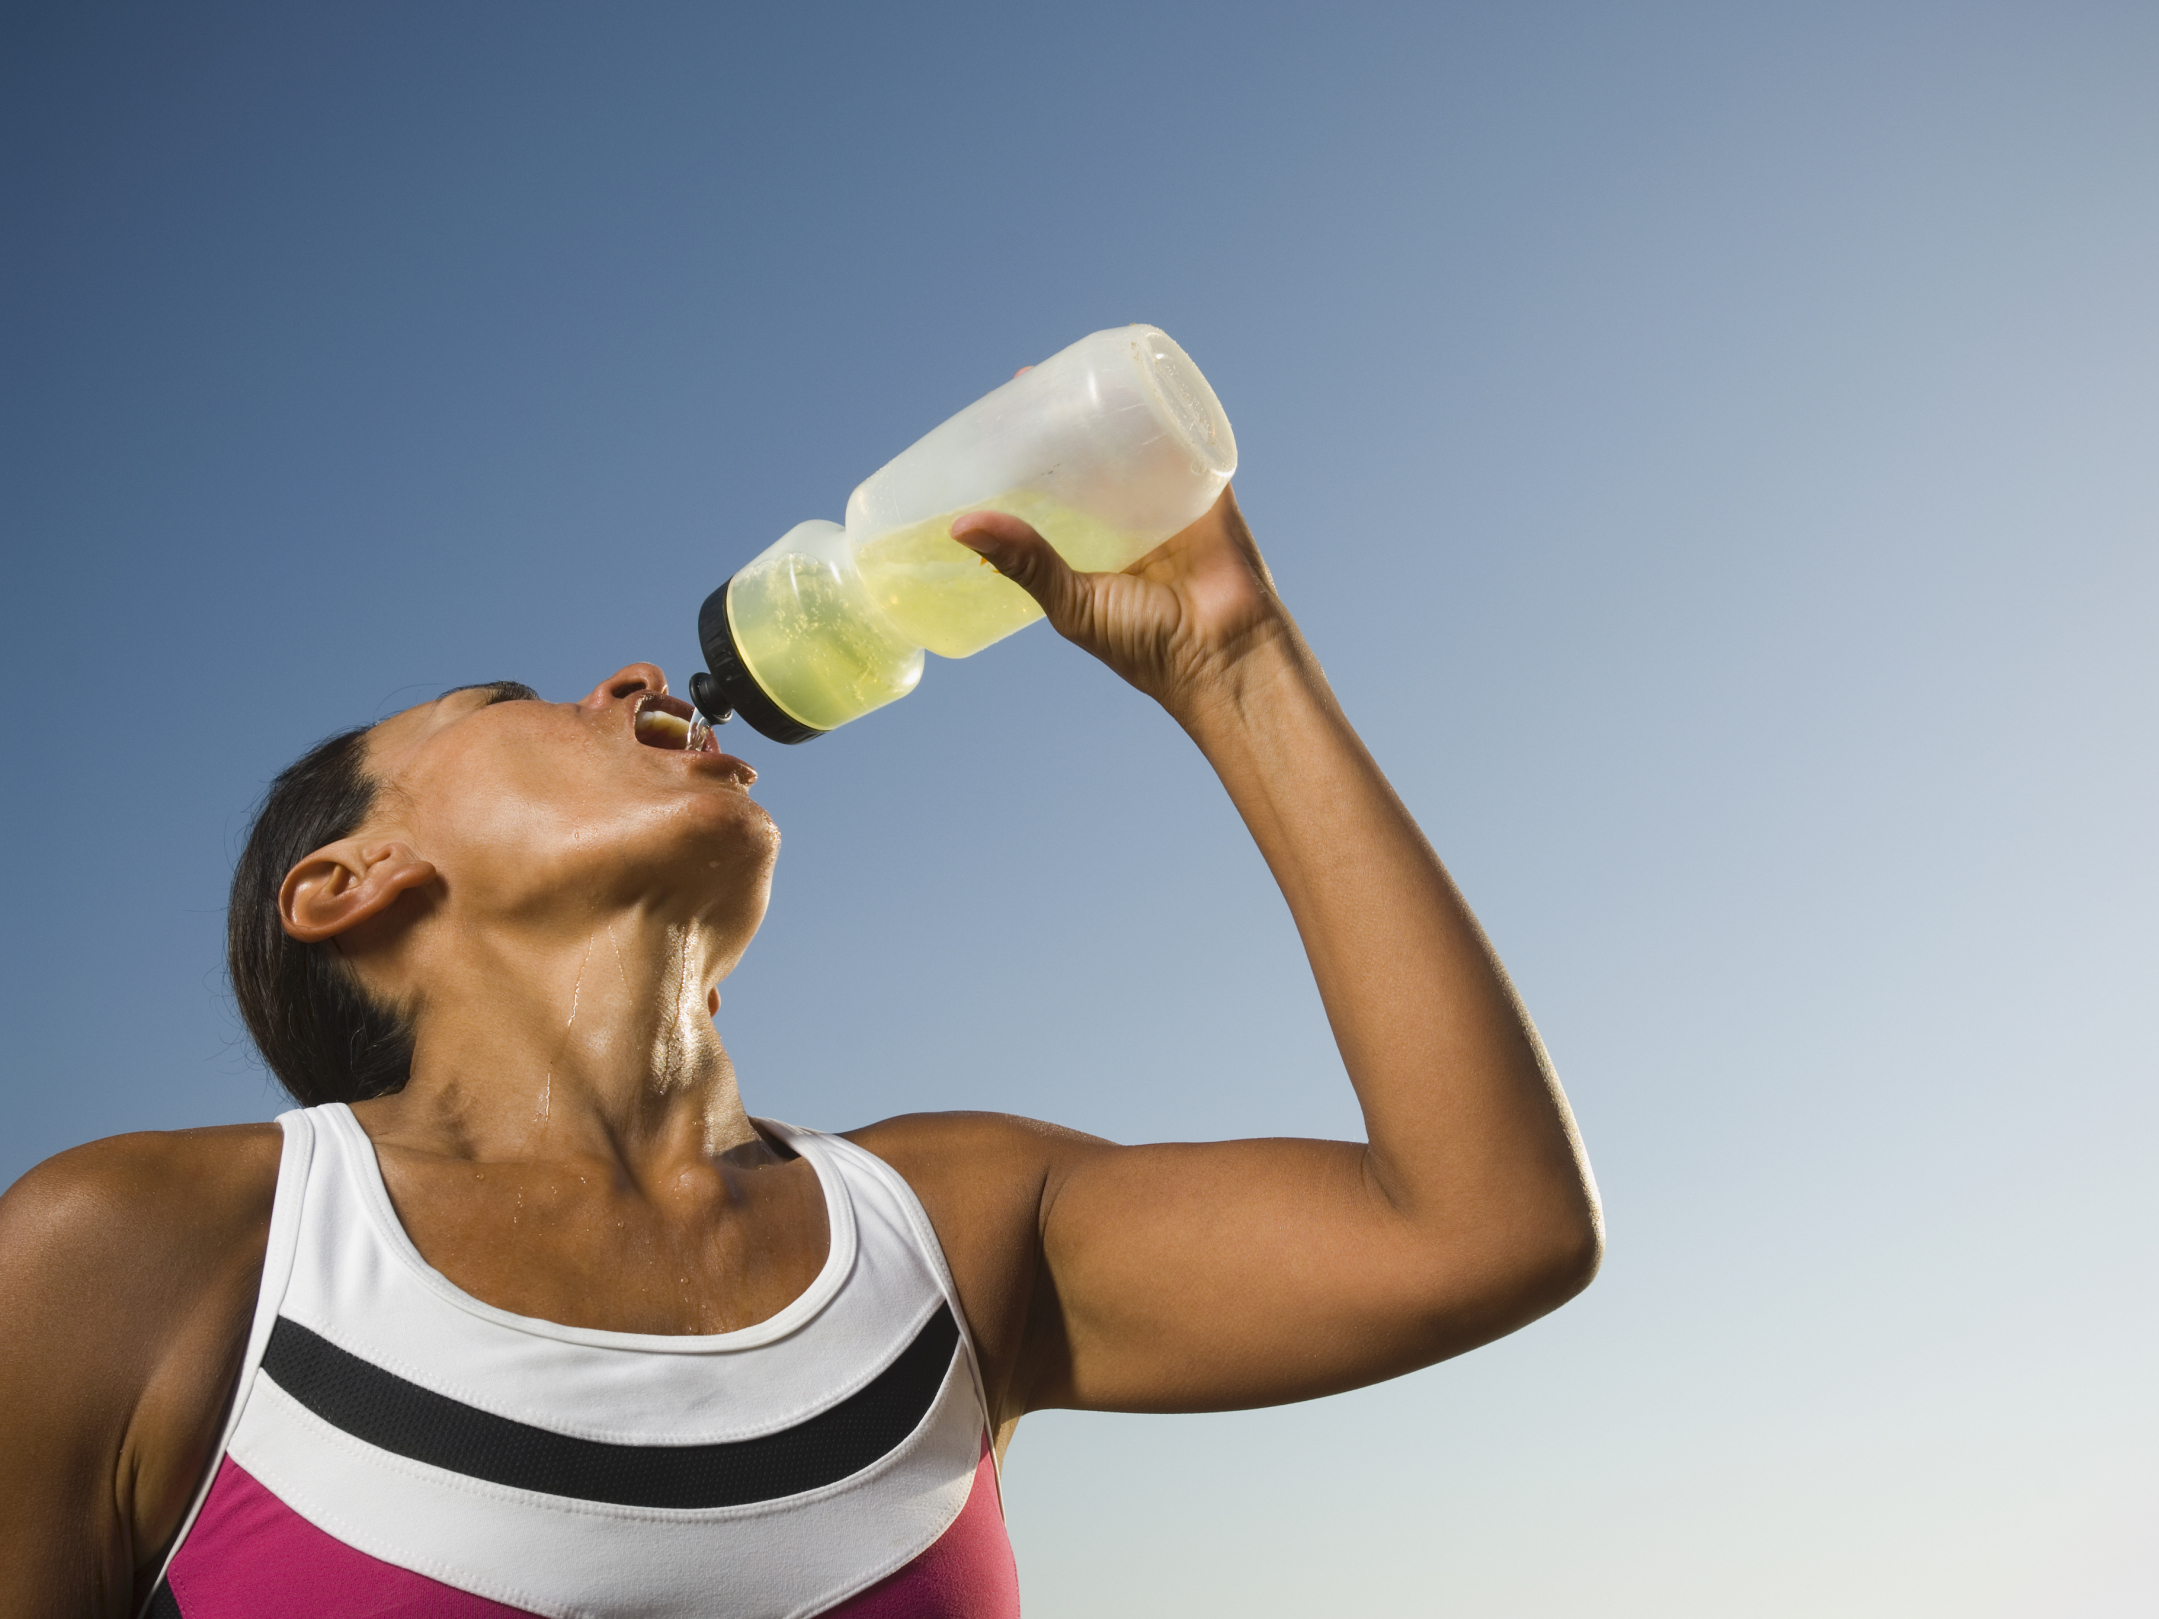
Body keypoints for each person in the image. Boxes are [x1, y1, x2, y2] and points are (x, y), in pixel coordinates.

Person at [0, 489, 1601, 1617]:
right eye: (502, 702)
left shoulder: (954, 1227)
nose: (630, 680)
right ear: (348, 887)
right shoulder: (152, 1255)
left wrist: (1233, 661)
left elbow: (1484, 1229)